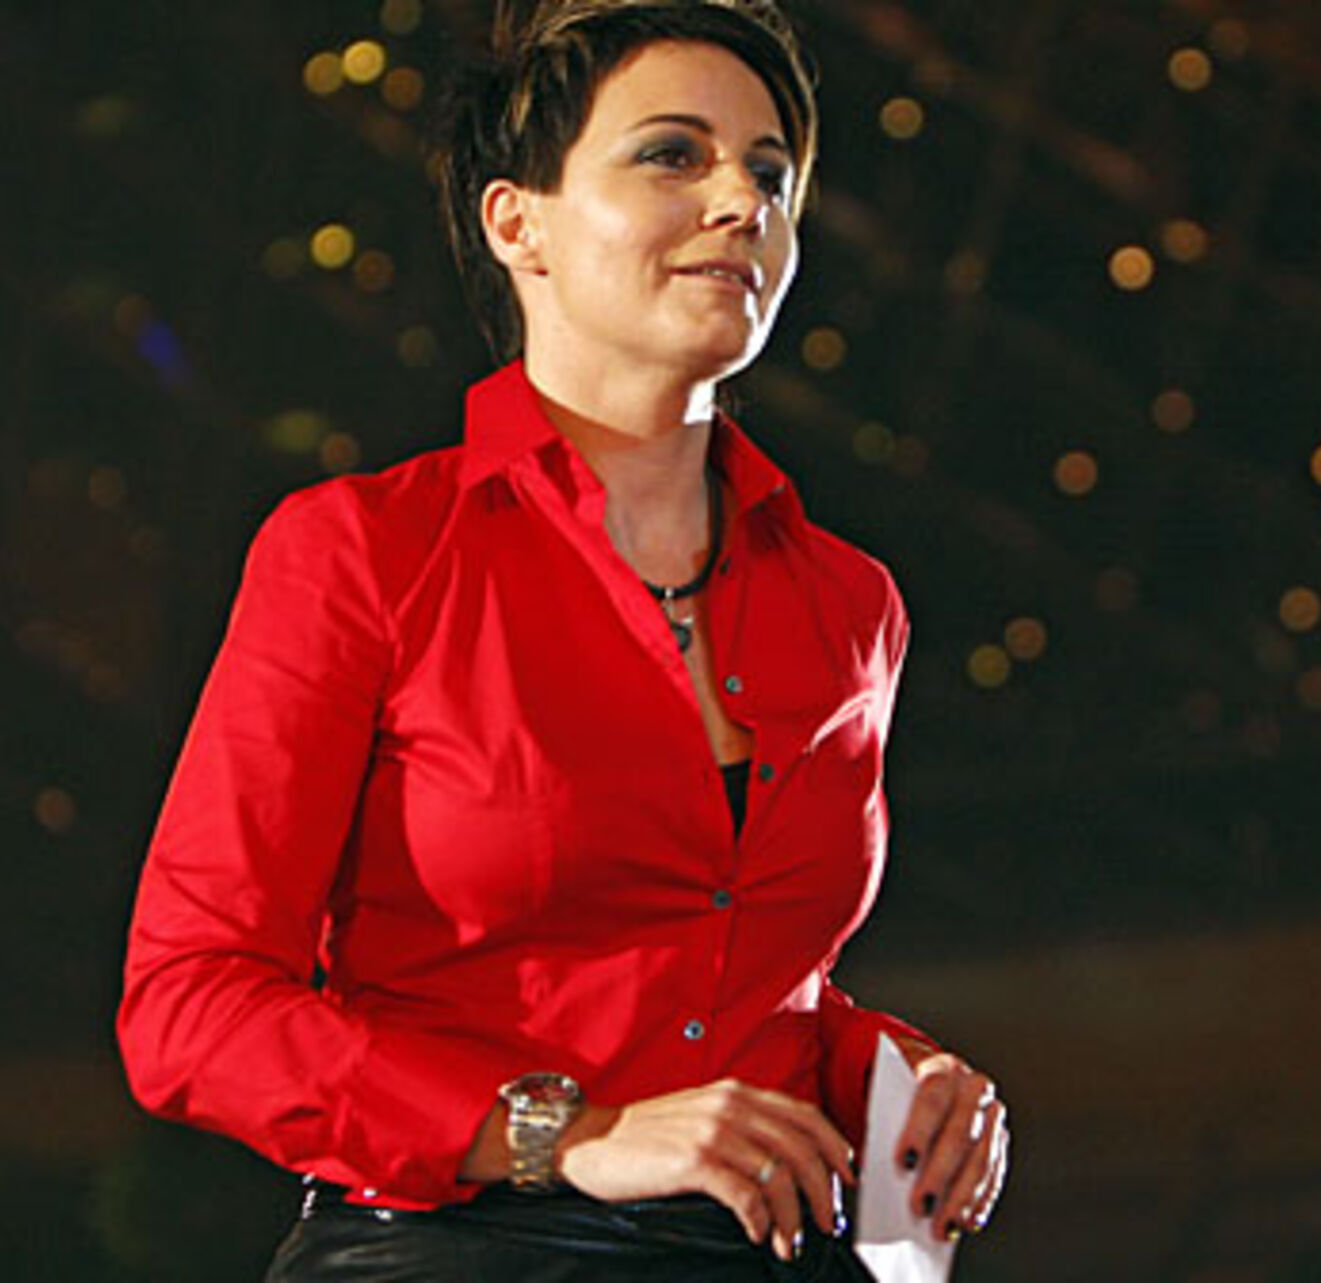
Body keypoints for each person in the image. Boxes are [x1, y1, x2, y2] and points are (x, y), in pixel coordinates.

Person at [116, 1, 1009, 1277]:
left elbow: (746, 990)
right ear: (516, 221)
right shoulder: (366, 552)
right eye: (672, 154)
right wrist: (565, 1134)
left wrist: (895, 1071)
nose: (740, 203)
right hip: (457, 1247)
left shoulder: (849, 601)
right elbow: (191, 1005)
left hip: (768, 1247)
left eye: (770, 175)